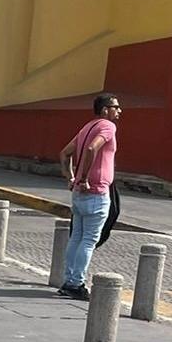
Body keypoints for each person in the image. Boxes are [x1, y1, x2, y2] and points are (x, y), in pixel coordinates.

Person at [57, 94, 122, 301]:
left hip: (78, 193)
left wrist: (71, 178)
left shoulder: (86, 127)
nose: (119, 111)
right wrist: (83, 177)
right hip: (96, 191)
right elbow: (93, 147)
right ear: (105, 110)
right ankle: (77, 283)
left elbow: (64, 153)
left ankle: (69, 280)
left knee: (76, 236)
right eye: (116, 107)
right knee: (89, 240)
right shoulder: (107, 127)